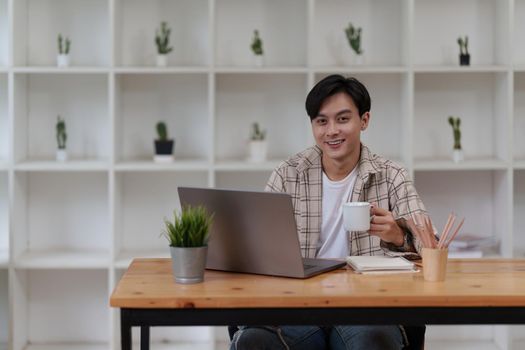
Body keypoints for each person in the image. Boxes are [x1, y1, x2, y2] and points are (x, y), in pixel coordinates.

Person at [229, 74, 427, 350]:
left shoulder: (392, 176)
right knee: (254, 340)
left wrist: (397, 236)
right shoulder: (288, 175)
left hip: (366, 308)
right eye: (322, 121)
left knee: (373, 339)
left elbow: (433, 248)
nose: (331, 131)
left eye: (343, 119)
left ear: (364, 120)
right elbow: (260, 251)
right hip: (298, 307)